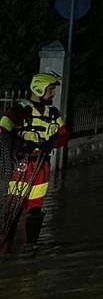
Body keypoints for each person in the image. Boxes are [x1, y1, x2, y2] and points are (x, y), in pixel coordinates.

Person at [0, 72, 70, 247]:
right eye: (51, 90)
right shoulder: (18, 111)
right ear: (40, 89)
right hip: (20, 166)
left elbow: (64, 134)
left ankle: (31, 247)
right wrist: (19, 145)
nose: (53, 94)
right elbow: (2, 132)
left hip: (41, 167)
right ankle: (5, 247)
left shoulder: (53, 113)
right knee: (13, 209)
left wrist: (51, 143)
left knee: (35, 210)